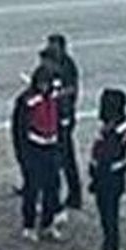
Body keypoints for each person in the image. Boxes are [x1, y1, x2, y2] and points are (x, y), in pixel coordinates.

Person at [87, 88, 126, 250]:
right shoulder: (119, 126)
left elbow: (106, 156)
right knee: (107, 218)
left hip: (109, 178)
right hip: (113, 176)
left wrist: (95, 178)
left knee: (109, 219)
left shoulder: (114, 130)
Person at [12, 66, 62, 241]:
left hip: (51, 148)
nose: (44, 87)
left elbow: (59, 121)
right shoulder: (27, 100)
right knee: (32, 189)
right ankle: (29, 225)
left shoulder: (54, 98)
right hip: (33, 149)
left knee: (52, 188)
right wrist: (22, 154)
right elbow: (19, 129)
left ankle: (47, 223)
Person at [44, 35, 83, 219]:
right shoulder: (49, 63)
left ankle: (74, 194)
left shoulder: (67, 66)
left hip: (63, 117)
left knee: (66, 157)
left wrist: (56, 94)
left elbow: (71, 89)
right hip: (53, 117)